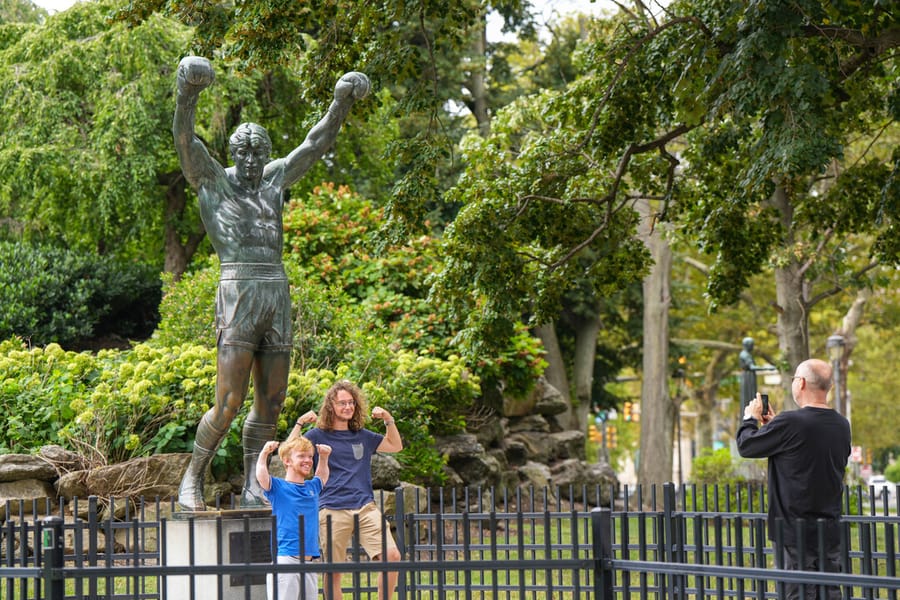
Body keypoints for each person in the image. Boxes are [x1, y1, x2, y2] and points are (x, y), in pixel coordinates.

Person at [172, 55, 369, 510]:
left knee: (272, 402)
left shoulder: (276, 179)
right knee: (228, 401)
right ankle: (191, 479)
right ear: (233, 153)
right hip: (238, 289)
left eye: (259, 152)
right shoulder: (212, 181)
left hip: (275, 290)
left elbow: (315, 144)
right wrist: (188, 91)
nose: (252, 159)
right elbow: (184, 137)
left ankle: (253, 485)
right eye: (244, 152)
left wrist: (340, 102)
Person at [736, 358, 851, 600]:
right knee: (829, 591)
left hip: (793, 528)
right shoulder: (842, 425)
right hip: (828, 526)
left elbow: (746, 446)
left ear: (800, 383)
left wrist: (749, 419)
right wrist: (774, 426)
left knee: (797, 592)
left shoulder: (791, 422)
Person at [292, 381, 403, 600]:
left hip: (365, 507)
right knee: (334, 571)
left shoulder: (362, 435)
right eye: (342, 403)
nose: (348, 407)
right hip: (331, 509)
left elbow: (395, 446)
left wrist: (388, 420)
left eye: (351, 402)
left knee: (391, 555)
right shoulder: (316, 435)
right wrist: (299, 423)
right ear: (331, 405)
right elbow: (289, 451)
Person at [256, 425, 331, 600]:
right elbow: (261, 476)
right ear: (287, 461)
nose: (308, 460)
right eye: (302, 456)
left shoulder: (311, 487)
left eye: (310, 456)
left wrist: (324, 458)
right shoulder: (278, 487)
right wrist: (264, 453)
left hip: (309, 560)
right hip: (287, 558)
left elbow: (322, 476)